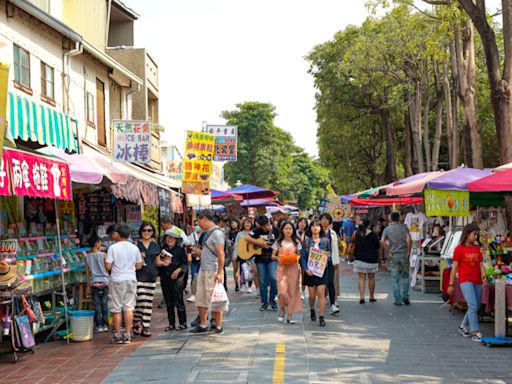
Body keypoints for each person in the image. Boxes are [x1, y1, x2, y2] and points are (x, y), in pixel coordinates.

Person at [447, 224, 487, 342]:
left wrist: (484, 276)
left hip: (478, 280)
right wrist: (450, 284)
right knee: (473, 305)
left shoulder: (476, 248)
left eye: (477, 234)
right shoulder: (459, 249)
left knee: (475, 305)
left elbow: (480, 264)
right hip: (465, 280)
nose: (476, 236)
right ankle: (475, 331)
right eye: (474, 234)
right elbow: (454, 268)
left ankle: (463, 326)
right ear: (467, 234)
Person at [190, 210, 226, 334]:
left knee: (215, 298)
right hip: (204, 269)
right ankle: (203, 324)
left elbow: (221, 254)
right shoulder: (207, 233)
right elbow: (210, 253)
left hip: (212, 271)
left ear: (204, 219)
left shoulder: (217, 234)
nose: (198, 224)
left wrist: (220, 273)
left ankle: (218, 325)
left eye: (199, 221)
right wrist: (197, 251)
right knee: (201, 297)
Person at [105, 224, 142, 344]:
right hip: (131, 278)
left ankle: (117, 334)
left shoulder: (113, 248)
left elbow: (108, 266)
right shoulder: (134, 248)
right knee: (129, 307)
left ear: (118, 234)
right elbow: (139, 265)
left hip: (117, 279)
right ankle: (127, 334)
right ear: (129, 235)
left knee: (116, 308)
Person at [133, 222, 161, 337]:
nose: (146, 232)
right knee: (141, 300)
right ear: (141, 231)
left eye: (149, 230)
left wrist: (165, 263)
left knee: (148, 303)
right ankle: (136, 322)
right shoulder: (135, 244)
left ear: (153, 232)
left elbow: (158, 262)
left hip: (151, 276)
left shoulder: (155, 245)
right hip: (138, 275)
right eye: (144, 230)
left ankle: (145, 326)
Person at [157, 229, 189, 331]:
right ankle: (171, 323)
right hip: (165, 278)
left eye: (172, 238)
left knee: (178, 300)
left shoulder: (180, 250)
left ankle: (183, 322)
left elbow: (185, 264)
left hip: (177, 279)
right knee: (168, 302)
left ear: (176, 239)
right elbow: (158, 263)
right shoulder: (162, 250)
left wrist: (178, 270)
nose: (170, 239)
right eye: (168, 237)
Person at [246, 215, 279, 311]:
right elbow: (247, 238)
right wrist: (259, 243)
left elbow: (279, 242)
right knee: (262, 280)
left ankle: (272, 300)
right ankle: (264, 302)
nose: (266, 227)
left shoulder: (276, 230)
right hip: (260, 259)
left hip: (272, 258)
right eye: (263, 226)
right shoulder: (256, 230)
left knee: (273, 278)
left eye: (267, 224)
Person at [271, 221, 302, 323]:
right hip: (281, 269)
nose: (288, 231)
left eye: (290, 229)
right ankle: (282, 308)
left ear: (293, 230)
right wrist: (277, 258)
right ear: (282, 230)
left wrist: (296, 258)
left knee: (292, 292)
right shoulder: (278, 242)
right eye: (286, 228)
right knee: (282, 292)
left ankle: (289, 315)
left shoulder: (296, 243)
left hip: (293, 269)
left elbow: (299, 255)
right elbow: (273, 256)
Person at [300, 219, 329, 327]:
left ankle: (321, 317)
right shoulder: (307, 241)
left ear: (320, 228)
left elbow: (328, 256)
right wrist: (306, 269)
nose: (315, 228)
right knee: (312, 295)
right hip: (310, 272)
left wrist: (327, 256)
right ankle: (312, 309)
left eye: (317, 226)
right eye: (313, 226)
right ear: (310, 228)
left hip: (322, 271)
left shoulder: (325, 241)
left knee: (321, 294)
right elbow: (303, 257)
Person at [381, 212, 412, 306]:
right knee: (406, 276)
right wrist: (408, 251)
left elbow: (382, 241)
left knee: (395, 278)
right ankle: (405, 296)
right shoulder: (404, 228)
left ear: (390, 218)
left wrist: (388, 251)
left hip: (393, 255)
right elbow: (409, 239)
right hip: (403, 255)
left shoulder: (387, 229)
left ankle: (398, 299)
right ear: (399, 218)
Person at [85, 234, 109, 333]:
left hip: (94, 283)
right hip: (105, 282)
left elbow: (87, 272)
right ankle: (105, 324)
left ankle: (98, 325)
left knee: (97, 305)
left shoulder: (86, 257)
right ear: (97, 243)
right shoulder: (103, 255)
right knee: (105, 304)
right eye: (100, 242)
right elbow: (107, 268)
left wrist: (88, 286)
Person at [352, 219, 380, 304]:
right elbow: (377, 246)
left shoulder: (356, 234)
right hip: (371, 260)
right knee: (371, 278)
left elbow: (353, 244)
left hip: (359, 259)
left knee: (361, 278)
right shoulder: (373, 235)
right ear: (368, 226)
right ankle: (371, 297)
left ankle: (362, 297)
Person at [319, 213, 340, 315]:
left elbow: (335, 248)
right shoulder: (317, 232)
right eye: (322, 219)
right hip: (319, 262)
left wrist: (336, 261)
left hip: (330, 262)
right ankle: (321, 304)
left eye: (326, 219)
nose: (324, 221)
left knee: (331, 283)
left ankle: (333, 305)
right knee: (321, 284)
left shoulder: (333, 233)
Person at [234, 217, 256, 293]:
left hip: (251, 254)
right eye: (246, 223)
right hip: (241, 254)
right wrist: (235, 255)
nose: (247, 224)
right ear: (243, 224)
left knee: (250, 269)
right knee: (242, 269)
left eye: (249, 223)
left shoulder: (253, 233)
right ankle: (242, 284)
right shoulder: (240, 234)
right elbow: (236, 245)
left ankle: (250, 286)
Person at [186, 223, 202, 303]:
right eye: (195, 224)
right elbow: (188, 247)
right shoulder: (191, 236)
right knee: (194, 275)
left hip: (203, 259)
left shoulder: (206, 234)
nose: (197, 226)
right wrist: (189, 256)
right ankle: (193, 294)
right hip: (194, 259)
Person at [228, 219, 241, 291]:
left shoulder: (240, 232)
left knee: (242, 268)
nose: (233, 224)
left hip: (242, 251)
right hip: (234, 251)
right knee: (235, 269)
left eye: (234, 223)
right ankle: (236, 284)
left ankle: (243, 283)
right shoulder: (230, 232)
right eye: (232, 223)